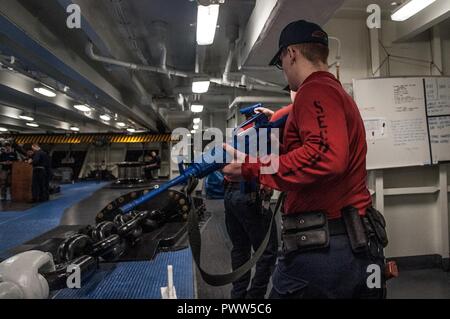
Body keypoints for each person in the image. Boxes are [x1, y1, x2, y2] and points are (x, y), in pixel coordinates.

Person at [223, 20, 387, 299]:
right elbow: (318, 150)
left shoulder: (314, 91)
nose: (284, 70)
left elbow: (325, 157)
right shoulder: (335, 94)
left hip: (325, 252)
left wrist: (251, 168)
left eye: (281, 62)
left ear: (291, 54)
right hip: (349, 243)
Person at [223, 111, 279, 299]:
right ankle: (254, 298)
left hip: (231, 194)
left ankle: (238, 298)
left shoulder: (239, 134)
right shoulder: (262, 133)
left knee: (240, 249)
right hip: (249, 194)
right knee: (267, 251)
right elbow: (266, 166)